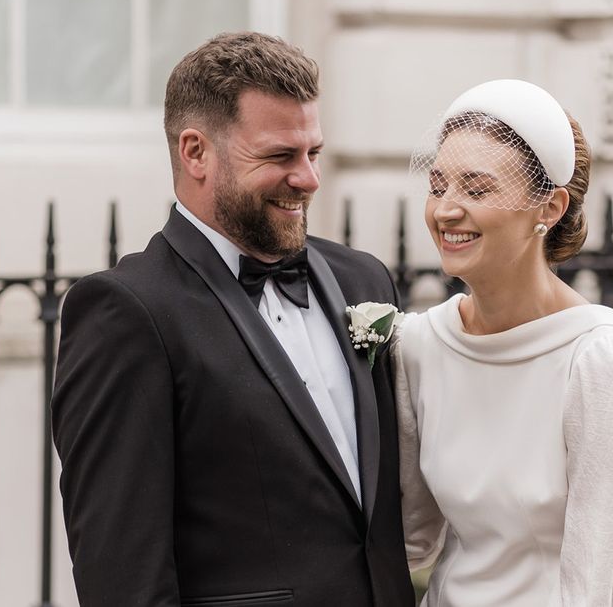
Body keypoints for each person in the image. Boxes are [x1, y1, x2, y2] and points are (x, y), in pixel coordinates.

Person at [51, 32, 416, 606]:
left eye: (313, 153)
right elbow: (122, 574)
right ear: (195, 152)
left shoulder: (363, 280)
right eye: (279, 157)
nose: (308, 179)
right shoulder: (126, 312)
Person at [393, 79, 613, 606]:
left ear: (550, 208)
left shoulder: (601, 357)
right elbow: (411, 538)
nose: (445, 210)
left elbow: (595, 580)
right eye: (438, 185)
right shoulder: (420, 343)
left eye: (476, 189)